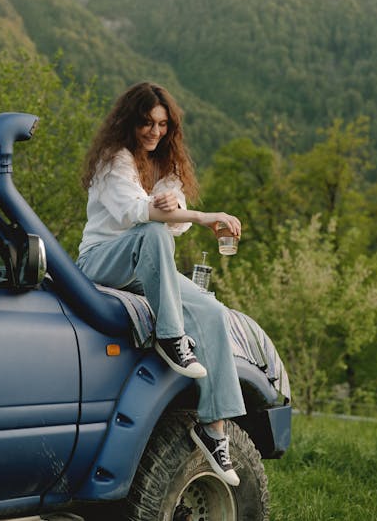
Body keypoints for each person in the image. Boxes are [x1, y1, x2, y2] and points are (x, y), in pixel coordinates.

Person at [76, 81, 246, 486]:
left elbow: (174, 227)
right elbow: (136, 214)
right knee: (150, 234)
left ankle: (214, 428)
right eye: (147, 123)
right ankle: (171, 338)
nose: (155, 132)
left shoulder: (165, 166)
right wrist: (197, 216)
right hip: (102, 261)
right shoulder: (113, 159)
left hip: (144, 268)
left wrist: (174, 210)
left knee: (210, 310)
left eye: (163, 124)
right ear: (130, 122)